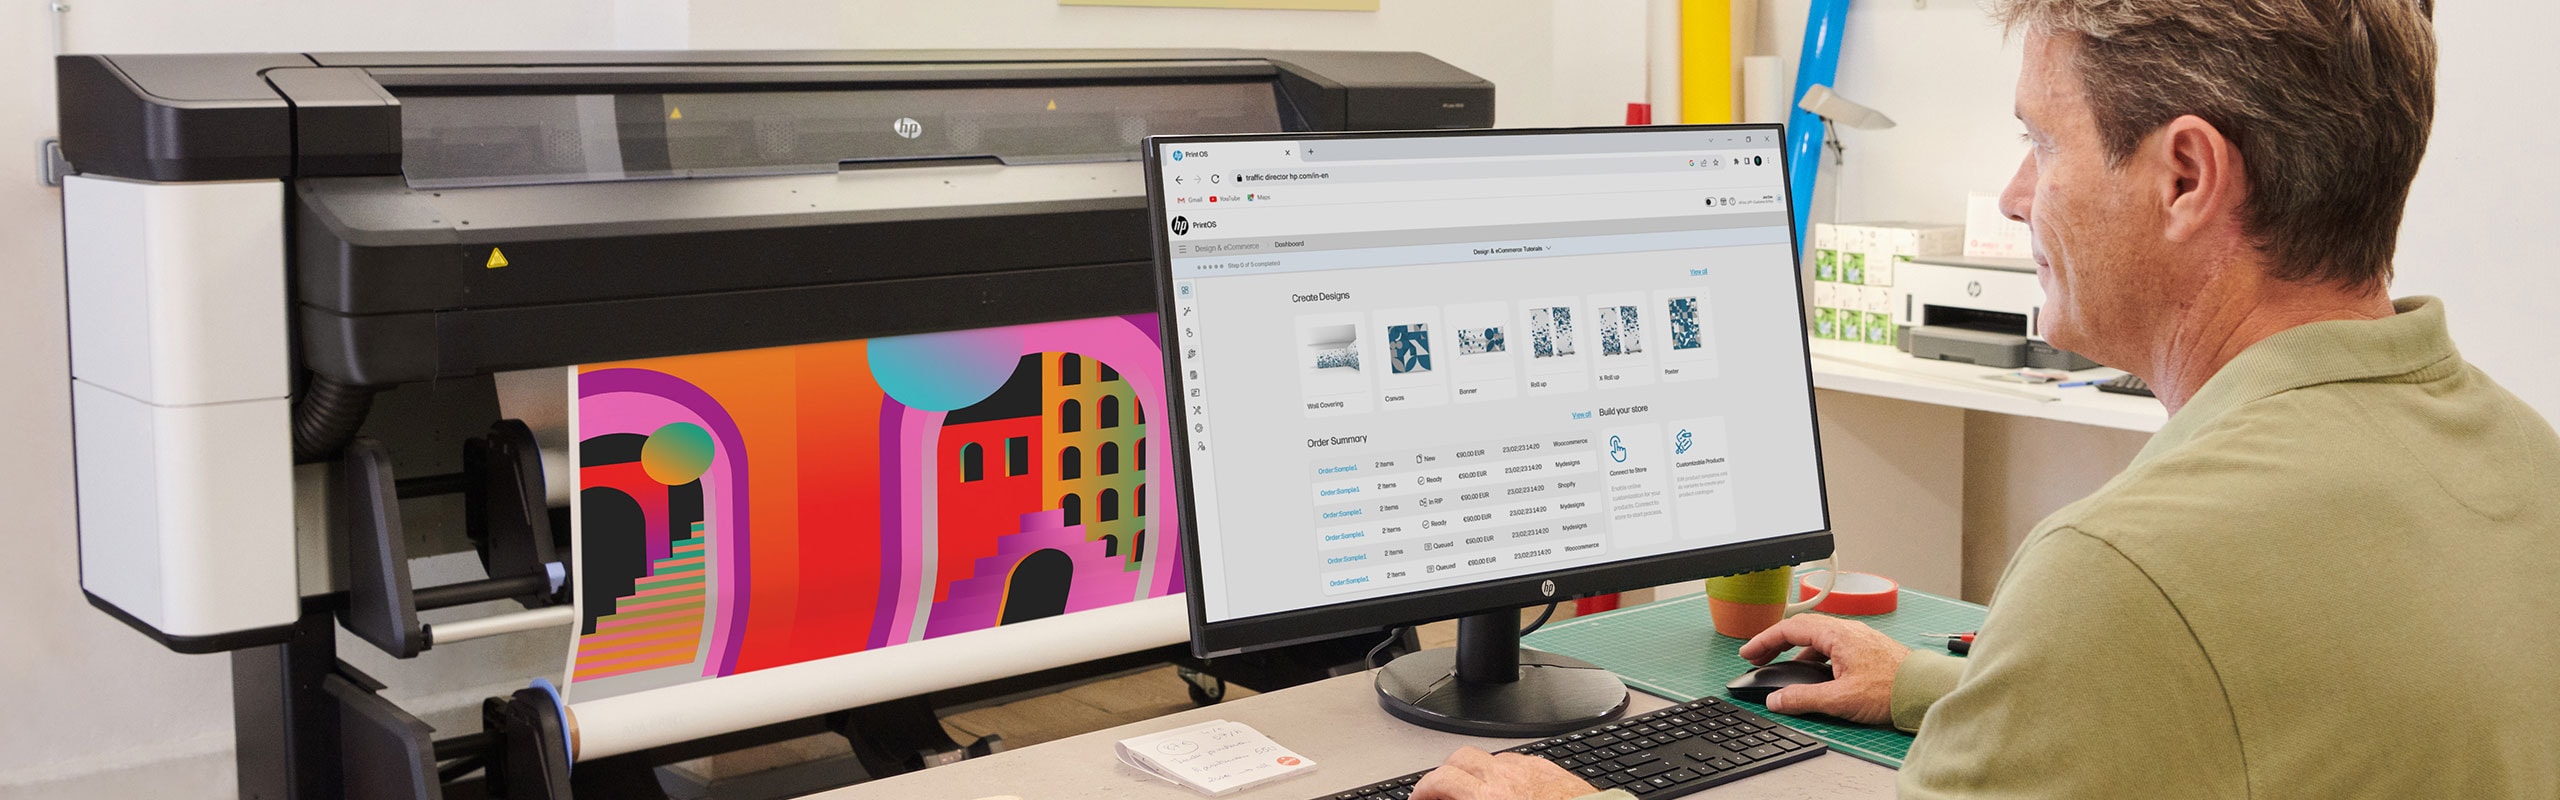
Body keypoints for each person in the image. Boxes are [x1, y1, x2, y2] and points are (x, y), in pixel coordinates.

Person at [1413, 1, 2560, 798]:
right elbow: (2301, 694)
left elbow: (2175, 637)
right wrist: (1938, 683)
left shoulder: (2131, 568)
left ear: (2186, 176)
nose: (2014, 196)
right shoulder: (2519, 457)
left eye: (2037, 140)